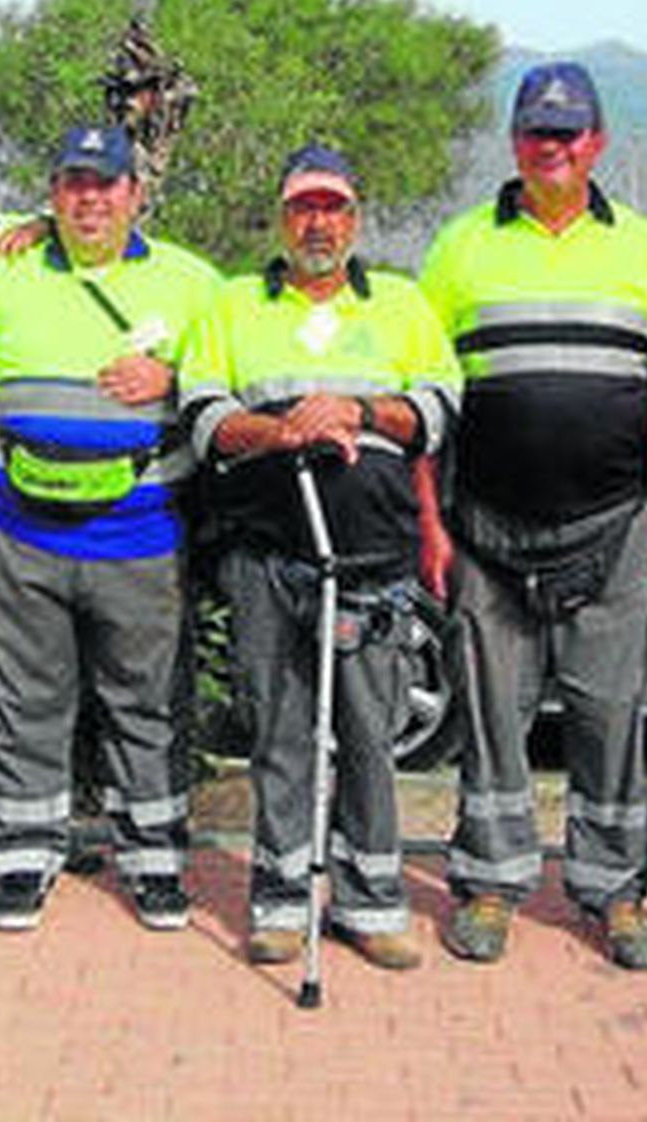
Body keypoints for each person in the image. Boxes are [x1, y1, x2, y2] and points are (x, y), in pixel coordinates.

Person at [0, 123, 219, 933]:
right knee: (20, 703)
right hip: (18, 537)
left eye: (106, 183)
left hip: (141, 541)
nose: (90, 198)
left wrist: (175, 376)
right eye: (74, 183)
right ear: (53, 193)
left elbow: (239, 385)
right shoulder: (2, 276)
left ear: (135, 194)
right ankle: (19, 861)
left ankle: (153, 864)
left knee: (146, 705)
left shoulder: (192, 282)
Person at [418, 61, 647, 968]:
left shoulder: (646, 250)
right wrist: (433, 523)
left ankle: (614, 896)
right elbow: (427, 402)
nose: (554, 146)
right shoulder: (458, 248)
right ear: (515, 141)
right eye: (539, 131)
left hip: (613, 527)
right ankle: (492, 886)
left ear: (598, 143)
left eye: (570, 132)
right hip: (488, 530)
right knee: (493, 719)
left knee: (610, 718)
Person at [180, 145, 462, 970]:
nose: (318, 222)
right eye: (303, 206)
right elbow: (204, 418)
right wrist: (284, 430)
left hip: (372, 562)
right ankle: (278, 901)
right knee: (283, 731)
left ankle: (372, 903)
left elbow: (438, 411)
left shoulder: (404, 304)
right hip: (267, 555)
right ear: (282, 217)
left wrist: (358, 409)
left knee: (370, 733)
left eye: (333, 207)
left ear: (356, 218)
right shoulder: (233, 305)